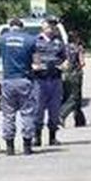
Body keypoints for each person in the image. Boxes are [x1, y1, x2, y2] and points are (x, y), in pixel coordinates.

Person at [0, 18, 39, 155]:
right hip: (24, 80)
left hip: (8, 80)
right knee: (27, 112)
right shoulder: (30, 39)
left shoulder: (2, 39)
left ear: (10, 27)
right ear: (22, 27)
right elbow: (36, 61)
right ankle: (27, 146)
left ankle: (10, 147)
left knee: (8, 114)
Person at [31, 17, 67, 147]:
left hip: (55, 79)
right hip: (40, 79)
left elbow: (65, 58)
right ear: (43, 26)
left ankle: (52, 137)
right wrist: (32, 66)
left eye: (53, 26)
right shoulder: (35, 41)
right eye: (49, 25)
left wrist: (65, 65)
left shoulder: (59, 42)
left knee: (54, 110)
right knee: (38, 109)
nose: (51, 28)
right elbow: (30, 57)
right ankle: (37, 137)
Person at [61, 36, 86, 128]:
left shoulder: (63, 48)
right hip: (76, 74)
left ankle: (80, 120)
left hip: (65, 75)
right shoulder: (78, 48)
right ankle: (61, 116)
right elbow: (82, 62)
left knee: (66, 96)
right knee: (75, 97)